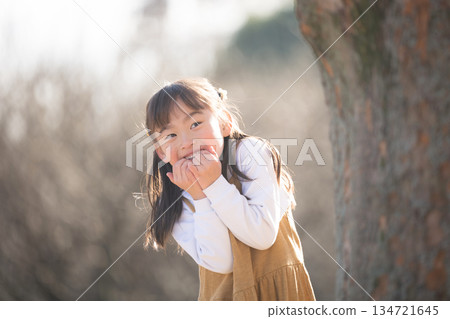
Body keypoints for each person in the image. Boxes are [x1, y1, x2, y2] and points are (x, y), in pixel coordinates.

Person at [143, 78, 315, 301]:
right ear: (160, 151)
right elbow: (222, 262)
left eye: (195, 124)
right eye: (170, 135)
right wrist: (200, 196)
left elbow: (262, 236)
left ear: (225, 122)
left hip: (278, 295)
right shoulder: (174, 201)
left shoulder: (251, 154)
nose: (186, 141)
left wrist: (214, 184)